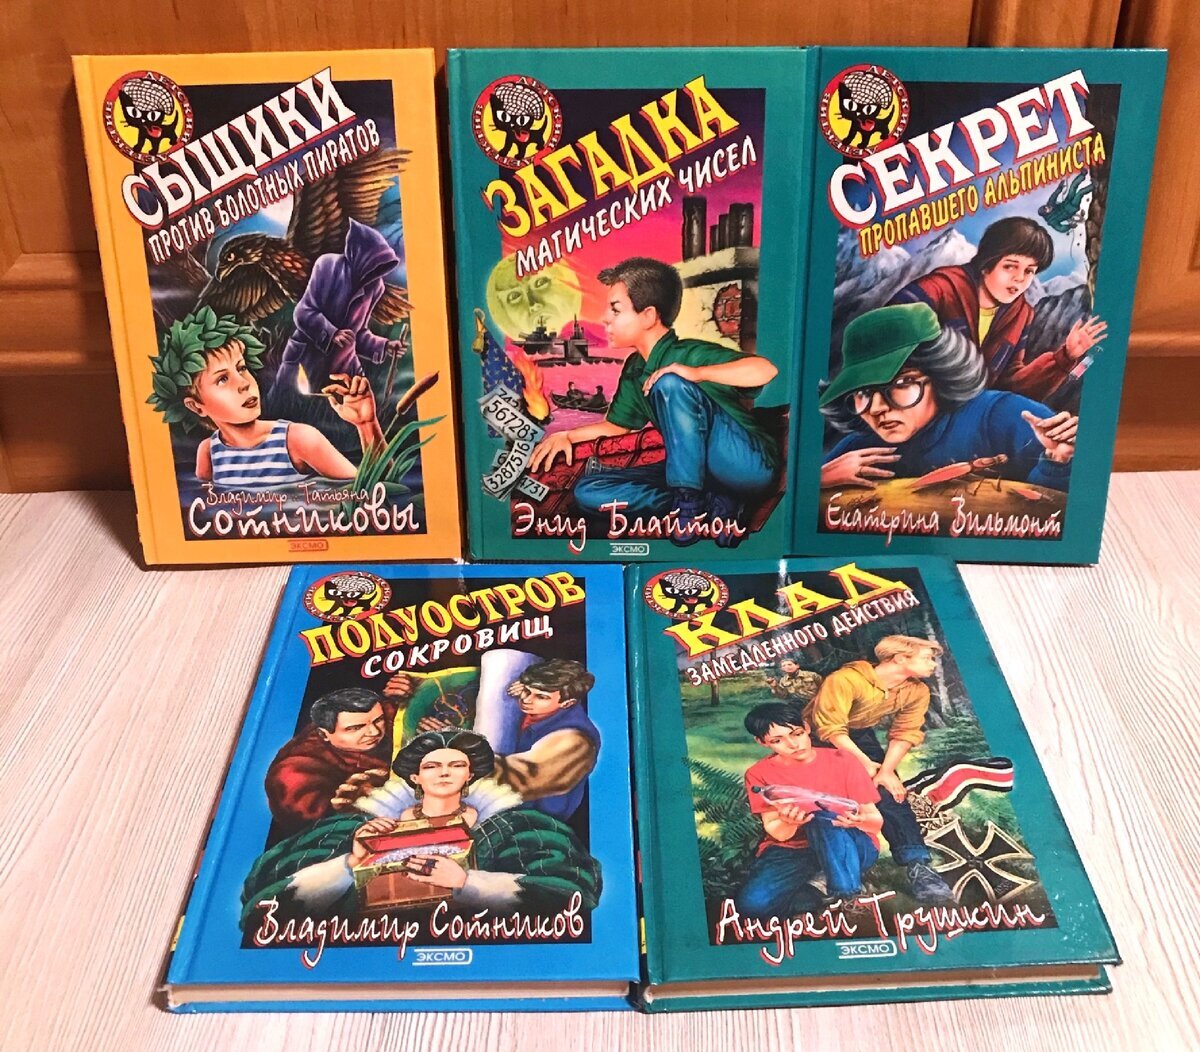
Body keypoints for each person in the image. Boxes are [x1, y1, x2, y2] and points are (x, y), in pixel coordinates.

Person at [527, 256, 779, 546]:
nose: (605, 318)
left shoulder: (689, 354)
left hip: (748, 464)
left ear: (648, 316)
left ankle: (690, 505)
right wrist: (567, 435)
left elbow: (765, 370)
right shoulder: (635, 367)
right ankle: (712, 502)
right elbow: (617, 426)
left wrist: (696, 373)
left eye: (615, 309)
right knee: (589, 491)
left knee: (669, 383)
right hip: (698, 471)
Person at [240, 730, 601, 928]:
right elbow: (261, 906)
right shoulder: (355, 828)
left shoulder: (517, 828)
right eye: (432, 766)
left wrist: (467, 883)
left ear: (470, 774)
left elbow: (573, 900)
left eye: (456, 765)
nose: (444, 772)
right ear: (415, 776)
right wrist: (349, 863)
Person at [819, 303, 1076, 492]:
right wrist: (819, 481)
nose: (876, 408)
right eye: (863, 393)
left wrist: (1058, 460)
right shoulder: (857, 449)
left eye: (901, 383)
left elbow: (1060, 514)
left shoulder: (1003, 415)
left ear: (939, 374)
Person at [803, 635, 955, 905]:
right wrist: (865, 766)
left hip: (858, 735)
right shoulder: (844, 679)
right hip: (816, 739)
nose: (933, 665)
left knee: (889, 793)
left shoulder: (916, 690)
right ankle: (831, 870)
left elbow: (905, 732)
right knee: (826, 802)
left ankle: (918, 866)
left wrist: (885, 771)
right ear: (900, 658)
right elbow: (831, 729)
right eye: (927, 658)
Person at [889, 215, 1105, 401]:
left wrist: (1065, 356)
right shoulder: (939, 289)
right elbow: (884, 337)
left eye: (1029, 271)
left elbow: (1011, 384)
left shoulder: (1021, 313)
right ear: (986, 264)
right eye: (1010, 266)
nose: (1019, 278)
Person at [735, 703, 882, 920]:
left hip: (849, 843)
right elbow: (778, 833)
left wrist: (858, 821)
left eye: (797, 734)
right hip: (794, 851)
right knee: (752, 907)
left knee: (822, 818)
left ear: (806, 727)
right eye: (777, 740)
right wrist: (789, 822)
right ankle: (817, 889)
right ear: (762, 742)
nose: (793, 744)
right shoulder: (759, 774)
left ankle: (848, 895)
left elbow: (875, 822)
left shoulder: (843, 760)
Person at [276, 219, 406, 392]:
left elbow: (358, 334)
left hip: (343, 367)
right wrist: (331, 333)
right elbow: (304, 312)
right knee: (289, 403)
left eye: (379, 266)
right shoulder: (328, 266)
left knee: (360, 404)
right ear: (358, 254)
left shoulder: (375, 287)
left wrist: (384, 345)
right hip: (306, 362)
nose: (374, 273)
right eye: (372, 263)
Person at [265, 683, 403, 834]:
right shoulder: (295, 771)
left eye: (378, 720)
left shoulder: (381, 713)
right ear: (324, 734)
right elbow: (312, 825)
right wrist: (346, 809)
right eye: (355, 728)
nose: (374, 732)